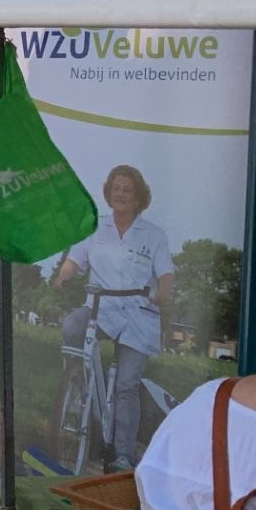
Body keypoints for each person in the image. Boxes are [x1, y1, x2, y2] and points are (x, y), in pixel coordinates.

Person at [54, 164, 174, 472]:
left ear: (138, 198)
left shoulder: (155, 235)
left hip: (139, 314)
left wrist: (162, 293)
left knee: (126, 385)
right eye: (116, 188)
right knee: (72, 325)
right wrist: (62, 277)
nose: (121, 194)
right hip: (101, 308)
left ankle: (123, 455)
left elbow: (165, 275)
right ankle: (77, 385)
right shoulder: (95, 227)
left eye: (128, 190)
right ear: (109, 193)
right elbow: (73, 261)